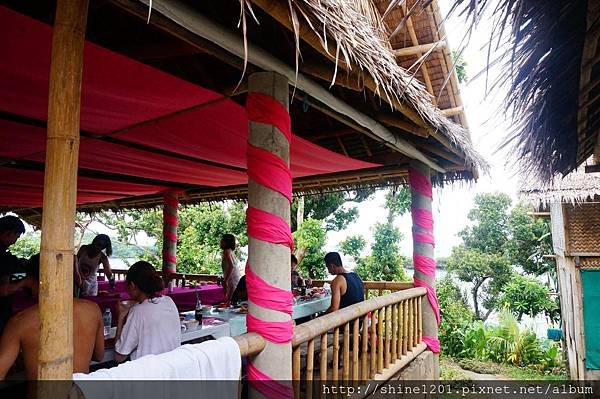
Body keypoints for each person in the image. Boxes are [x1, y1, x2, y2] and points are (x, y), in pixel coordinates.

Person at [0, 254, 104, 379]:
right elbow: (99, 356)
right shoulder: (92, 309)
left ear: (30, 280)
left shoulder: (20, 322)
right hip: (80, 393)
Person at [114, 261, 180, 362]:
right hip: (171, 368)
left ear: (132, 285)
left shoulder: (138, 311)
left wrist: (120, 317)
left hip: (147, 372)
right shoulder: (168, 301)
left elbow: (119, 356)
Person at [0, 216, 33, 336]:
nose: (15, 241)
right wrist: (25, 282)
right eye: (16, 236)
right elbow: (3, 290)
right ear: (8, 233)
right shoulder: (3, 258)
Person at [220, 234, 241, 301]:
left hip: (231, 278)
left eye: (222, 240)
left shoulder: (226, 251)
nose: (220, 242)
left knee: (230, 299)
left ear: (226, 242)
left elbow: (231, 265)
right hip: (233, 278)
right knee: (231, 299)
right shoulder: (230, 251)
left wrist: (225, 280)